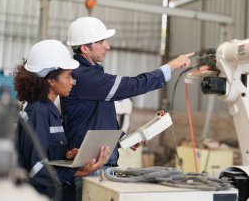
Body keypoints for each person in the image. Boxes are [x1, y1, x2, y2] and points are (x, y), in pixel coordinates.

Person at [60, 16, 193, 200]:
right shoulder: (84, 77)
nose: (107, 46)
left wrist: (124, 138)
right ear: (84, 48)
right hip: (90, 166)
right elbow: (133, 85)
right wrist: (171, 66)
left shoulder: (90, 75)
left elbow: (98, 119)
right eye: (101, 41)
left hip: (99, 164)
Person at [14, 39, 111, 201]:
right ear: (51, 80)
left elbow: (47, 155)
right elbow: (37, 169)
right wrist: (79, 172)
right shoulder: (38, 112)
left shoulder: (49, 110)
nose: (72, 81)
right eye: (68, 76)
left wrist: (69, 156)